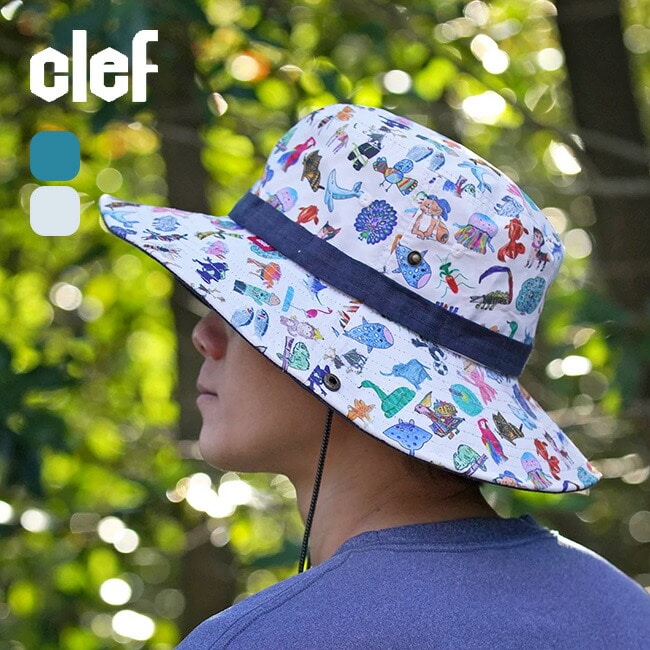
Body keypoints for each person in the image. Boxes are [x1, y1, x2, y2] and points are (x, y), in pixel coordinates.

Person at [99, 104, 650, 649]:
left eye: (244, 308)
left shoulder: (260, 640)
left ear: (345, 359)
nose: (205, 335)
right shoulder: (625, 613)